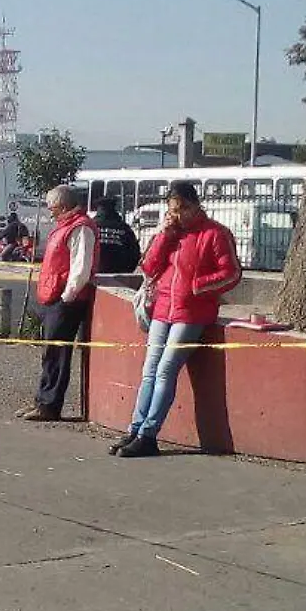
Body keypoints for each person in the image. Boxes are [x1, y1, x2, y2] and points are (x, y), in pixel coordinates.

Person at [113, 182, 241, 458]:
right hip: (163, 308)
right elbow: (148, 266)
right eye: (173, 210)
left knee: (165, 371)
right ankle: (135, 429)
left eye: (183, 209)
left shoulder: (215, 234)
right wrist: (164, 236)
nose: (179, 215)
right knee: (149, 370)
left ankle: (149, 434)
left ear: (195, 206)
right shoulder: (172, 234)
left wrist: (197, 286)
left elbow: (230, 273)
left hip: (192, 313)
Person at [19, 184, 97, 422]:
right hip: (56, 296)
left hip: (65, 299)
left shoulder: (80, 228)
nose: (50, 212)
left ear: (63, 206)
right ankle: (43, 400)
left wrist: (67, 297)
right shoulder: (68, 227)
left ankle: (50, 405)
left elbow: (81, 268)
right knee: (51, 352)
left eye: (52, 207)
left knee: (57, 354)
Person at [93, 194, 142, 274]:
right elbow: (134, 254)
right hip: (119, 275)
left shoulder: (91, 227)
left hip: (93, 275)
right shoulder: (124, 228)